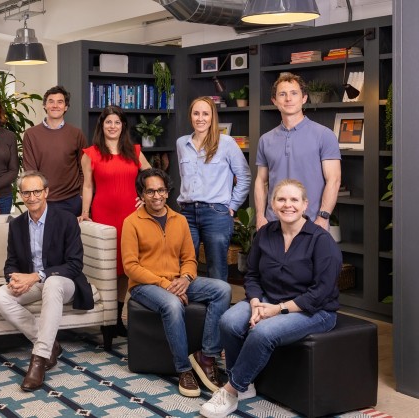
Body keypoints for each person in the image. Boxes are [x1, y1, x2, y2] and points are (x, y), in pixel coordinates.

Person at [200, 179, 342, 418]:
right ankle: (245, 384)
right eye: (281, 199)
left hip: (315, 310)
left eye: (294, 200)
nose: (288, 205)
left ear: (305, 205)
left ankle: (231, 390)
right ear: (273, 204)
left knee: (262, 332)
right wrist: (255, 302)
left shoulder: (321, 240)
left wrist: (278, 309)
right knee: (229, 321)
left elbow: (322, 292)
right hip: (268, 298)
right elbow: (252, 275)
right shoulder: (265, 233)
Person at [122, 168, 231, 397]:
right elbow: (130, 267)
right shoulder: (131, 222)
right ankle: (183, 369)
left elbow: (189, 259)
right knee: (172, 304)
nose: (157, 196)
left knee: (222, 289)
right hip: (145, 285)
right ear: (141, 194)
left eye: (161, 190)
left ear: (167, 191)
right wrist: (165, 285)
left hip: (177, 280)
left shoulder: (179, 220)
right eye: (150, 191)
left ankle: (206, 357)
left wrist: (186, 278)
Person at [0, 171, 94, 391]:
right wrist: (14, 279)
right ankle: (50, 345)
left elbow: (75, 264)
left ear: (46, 192)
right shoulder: (17, 224)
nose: (32, 197)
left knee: (53, 283)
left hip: (64, 283)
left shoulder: (66, 219)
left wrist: (37, 276)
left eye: (37, 191)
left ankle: (38, 358)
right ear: (21, 195)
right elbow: (11, 263)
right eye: (26, 193)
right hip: (34, 284)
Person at [79, 105, 150, 337]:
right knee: (107, 267)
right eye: (108, 122)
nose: (112, 126)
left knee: (125, 268)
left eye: (117, 122)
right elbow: (87, 186)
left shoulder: (134, 151)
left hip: (131, 217)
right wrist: (85, 212)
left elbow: (151, 176)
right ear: (101, 125)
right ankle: (106, 319)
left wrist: (144, 198)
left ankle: (117, 318)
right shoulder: (90, 153)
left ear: (123, 126)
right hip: (104, 217)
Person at [254, 72, 341, 231]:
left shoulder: (324, 135)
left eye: (294, 93)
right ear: (274, 101)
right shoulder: (265, 140)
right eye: (282, 94)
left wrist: (323, 217)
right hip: (273, 223)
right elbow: (261, 181)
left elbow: (334, 180)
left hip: (312, 222)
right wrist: (260, 216)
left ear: (304, 98)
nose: (288, 99)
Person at [177, 97, 251, 281]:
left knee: (216, 269)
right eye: (196, 113)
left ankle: (218, 301)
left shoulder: (226, 143)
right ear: (190, 116)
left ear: (212, 117)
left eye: (205, 114)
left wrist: (232, 205)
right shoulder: (181, 143)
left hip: (216, 213)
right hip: (187, 214)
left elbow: (244, 176)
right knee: (185, 268)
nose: (200, 118)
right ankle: (189, 301)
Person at [23, 85, 88, 218]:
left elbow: (84, 170)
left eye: (60, 102)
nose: (55, 106)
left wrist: (81, 196)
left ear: (66, 107)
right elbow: (30, 172)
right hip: (43, 201)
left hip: (72, 201)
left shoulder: (77, 134)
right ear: (45, 105)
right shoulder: (31, 134)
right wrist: (38, 198)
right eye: (51, 101)